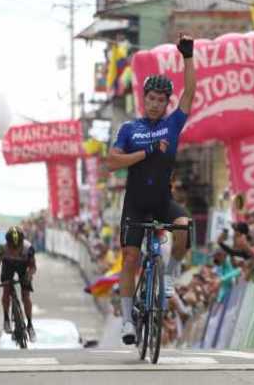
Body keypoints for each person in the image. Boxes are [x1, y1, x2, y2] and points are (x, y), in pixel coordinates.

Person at [106, 35, 197, 345]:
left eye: (162, 100)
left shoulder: (172, 125)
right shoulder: (130, 129)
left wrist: (188, 56)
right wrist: (145, 154)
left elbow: (191, 93)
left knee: (184, 227)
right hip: (135, 204)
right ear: (144, 99)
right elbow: (112, 161)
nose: (157, 105)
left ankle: (168, 275)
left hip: (161, 201)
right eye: (152, 99)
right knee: (130, 257)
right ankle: (128, 321)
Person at [0, 226, 37, 342]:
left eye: (17, 247)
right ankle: (6, 318)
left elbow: (33, 267)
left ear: (21, 243)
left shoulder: (28, 249)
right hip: (8, 266)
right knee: (6, 289)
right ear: (7, 244)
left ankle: (30, 325)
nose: (14, 250)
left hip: (23, 267)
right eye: (11, 247)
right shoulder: (2, 249)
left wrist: (28, 276)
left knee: (26, 295)